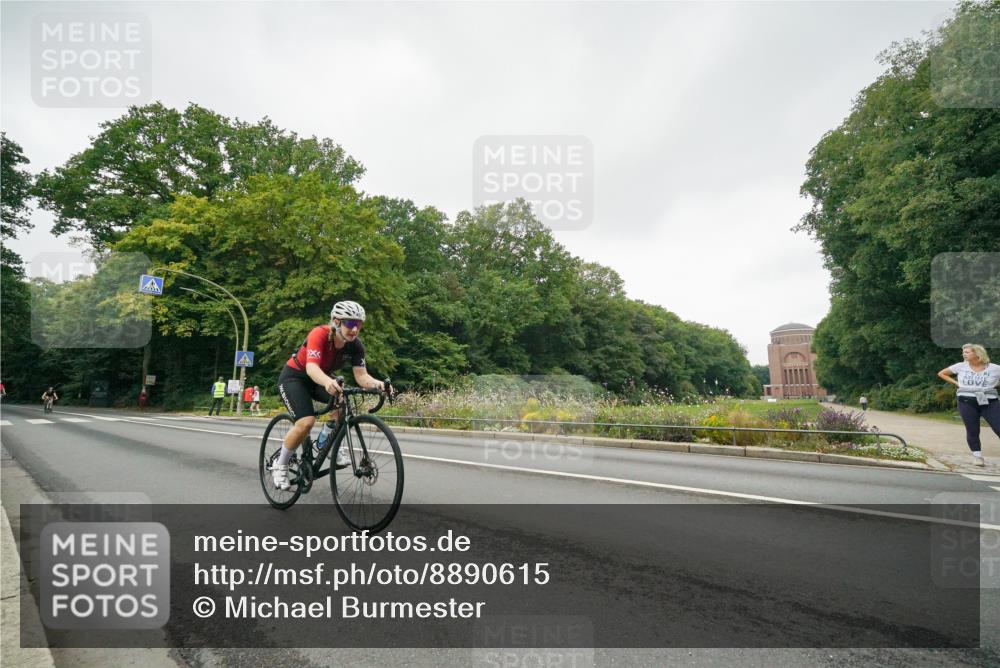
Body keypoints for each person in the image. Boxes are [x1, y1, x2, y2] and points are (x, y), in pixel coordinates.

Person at [271, 300, 386, 491]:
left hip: (321, 378)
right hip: (295, 378)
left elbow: (361, 376)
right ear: (336, 321)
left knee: (344, 403)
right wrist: (327, 382)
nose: (355, 329)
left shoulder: (355, 346)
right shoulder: (320, 334)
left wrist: (378, 384)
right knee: (306, 423)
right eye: (350, 323)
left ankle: (326, 441)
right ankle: (280, 464)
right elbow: (311, 367)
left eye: (359, 324)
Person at [937, 343, 1000, 467]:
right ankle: (977, 457)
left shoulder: (995, 368)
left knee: (998, 427)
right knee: (972, 429)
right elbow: (942, 373)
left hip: (989, 402)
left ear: (977, 354)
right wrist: (957, 383)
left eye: (967, 352)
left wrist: (995, 384)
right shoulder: (960, 366)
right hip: (966, 401)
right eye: (963, 352)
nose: (963, 354)